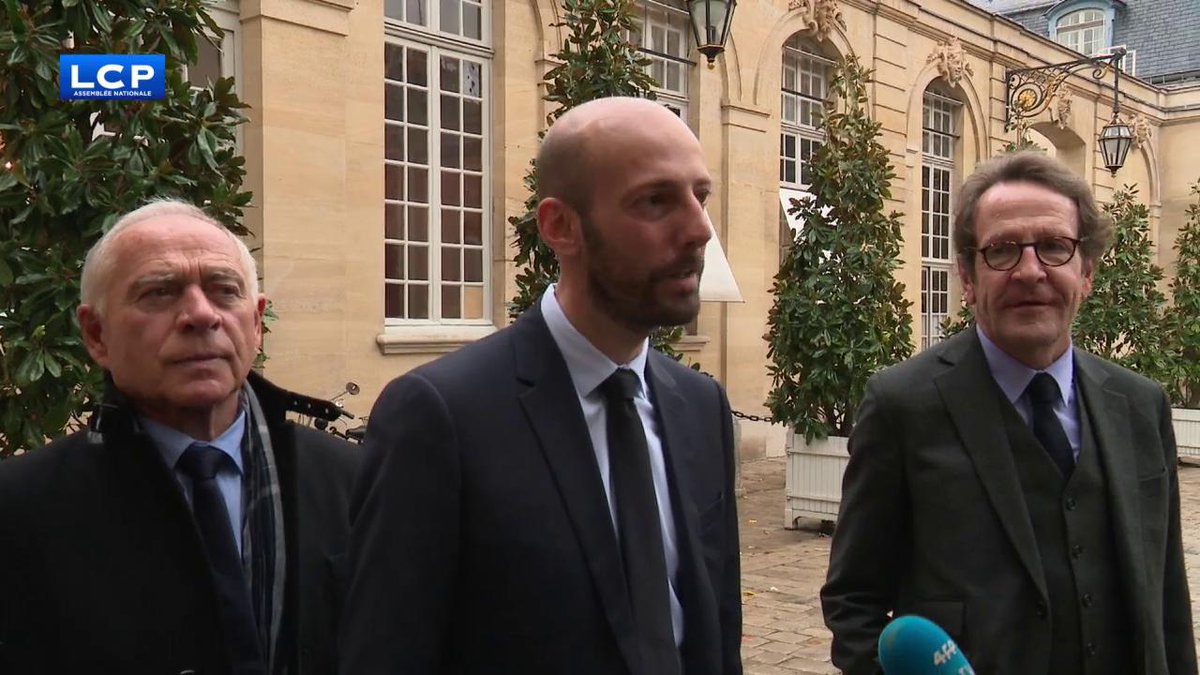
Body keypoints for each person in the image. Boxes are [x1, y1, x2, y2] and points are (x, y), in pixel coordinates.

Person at [339, 96, 743, 675]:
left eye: (700, 197)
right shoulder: (441, 416)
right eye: (656, 201)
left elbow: (717, 631)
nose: (700, 229)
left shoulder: (701, 406)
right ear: (561, 227)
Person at [821, 151, 1197, 675]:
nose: (1030, 271)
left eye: (1054, 246)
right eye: (1002, 250)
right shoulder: (901, 405)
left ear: (1086, 272)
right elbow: (853, 601)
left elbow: (1167, 598)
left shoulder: (1140, 404)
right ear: (968, 277)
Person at [0, 200, 362, 675]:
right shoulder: (20, 507)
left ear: (256, 324)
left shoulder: (355, 484)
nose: (200, 314)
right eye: (159, 292)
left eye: (224, 290)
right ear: (96, 334)